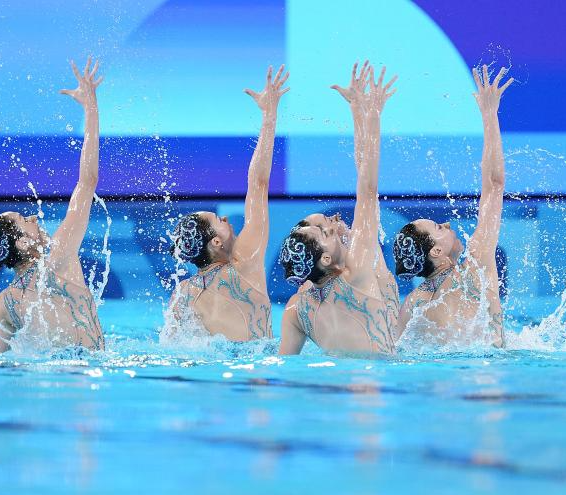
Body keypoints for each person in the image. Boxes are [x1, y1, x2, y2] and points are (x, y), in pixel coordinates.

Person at [0, 58, 104, 353]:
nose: (35, 217)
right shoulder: (59, 258)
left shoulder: (6, 301)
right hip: (90, 373)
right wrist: (91, 109)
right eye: (25, 220)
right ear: (23, 242)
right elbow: (87, 182)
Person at [277, 62, 399, 356]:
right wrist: (372, 114)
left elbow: (283, 364)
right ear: (325, 258)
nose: (332, 224)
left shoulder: (296, 308)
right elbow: (367, 191)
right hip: (382, 378)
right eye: (324, 231)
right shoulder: (358, 271)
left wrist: (357, 110)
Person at [165, 65, 289, 342]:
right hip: (257, 364)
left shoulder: (182, 294)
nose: (225, 220)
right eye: (218, 221)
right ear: (216, 242)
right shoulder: (246, 264)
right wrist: (269, 115)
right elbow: (259, 185)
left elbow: (172, 344)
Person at [392, 65, 512, 348]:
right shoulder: (475, 270)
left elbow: (393, 352)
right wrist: (489, 114)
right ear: (436, 251)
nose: (446, 224)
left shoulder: (412, 304)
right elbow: (494, 185)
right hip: (491, 369)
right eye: (438, 228)